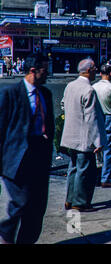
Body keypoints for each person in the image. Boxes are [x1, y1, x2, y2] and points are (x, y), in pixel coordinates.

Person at [0, 53, 54, 244]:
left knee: (37, 209)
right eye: (45, 71)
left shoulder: (45, 94)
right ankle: (5, 237)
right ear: (33, 71)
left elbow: (50, 125)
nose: (48, 75)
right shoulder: (10, 94)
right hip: (17, 159)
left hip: (39, 157)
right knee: (19, 204)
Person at [60, 59, 106, 212]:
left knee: (73, 168)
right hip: (83, 138)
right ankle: (79, 202)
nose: (97, 72)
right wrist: (98, 141)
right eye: (95, 69)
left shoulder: (70, 86)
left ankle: (69, 200)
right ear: (89, 70)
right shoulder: (89, 90)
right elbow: (91, 118)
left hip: (70, 136)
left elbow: (63, 104)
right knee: (84, 171)